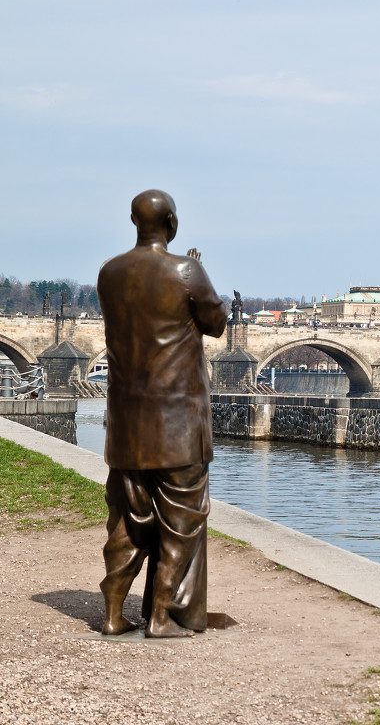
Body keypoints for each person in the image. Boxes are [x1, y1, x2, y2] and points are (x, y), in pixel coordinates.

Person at [96, 190, 227, 638]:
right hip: (178, 426)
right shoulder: (186, 271)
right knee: (182, 521)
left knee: (128, 519)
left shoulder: (109, 274)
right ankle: (163, 617)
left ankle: (113, 613)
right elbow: (215, 322)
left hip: (127, 428)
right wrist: (192, 270)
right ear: (172, 223)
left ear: (134, 220)